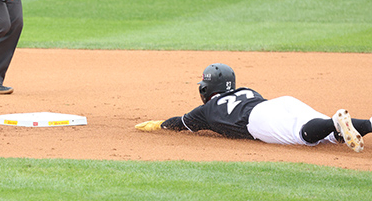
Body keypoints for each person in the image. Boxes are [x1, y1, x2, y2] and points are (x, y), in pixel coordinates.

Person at [135, 63, 372, 153]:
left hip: (257, 120)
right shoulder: (246, 90)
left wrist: (159, 124)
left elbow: (179, 123)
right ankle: (368, 123)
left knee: (302, 135)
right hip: (279, 102)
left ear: (207, 88)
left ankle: (334, 122)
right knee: (331, 135)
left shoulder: (205, 112)